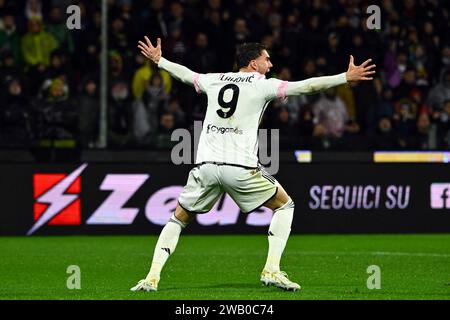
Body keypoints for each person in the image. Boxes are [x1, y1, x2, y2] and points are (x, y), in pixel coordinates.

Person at [131, 36, 376, 292]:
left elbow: (186, 75)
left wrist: (160, 61)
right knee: (285, 205)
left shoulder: (216, 79)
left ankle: (151, 277)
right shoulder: (262, 85)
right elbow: (307, 86)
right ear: (253, 63)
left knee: (179, 218)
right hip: (239, 167)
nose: (270, 65)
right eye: (266, 59)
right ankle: (271, 270)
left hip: (206, 165)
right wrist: (343, 78)